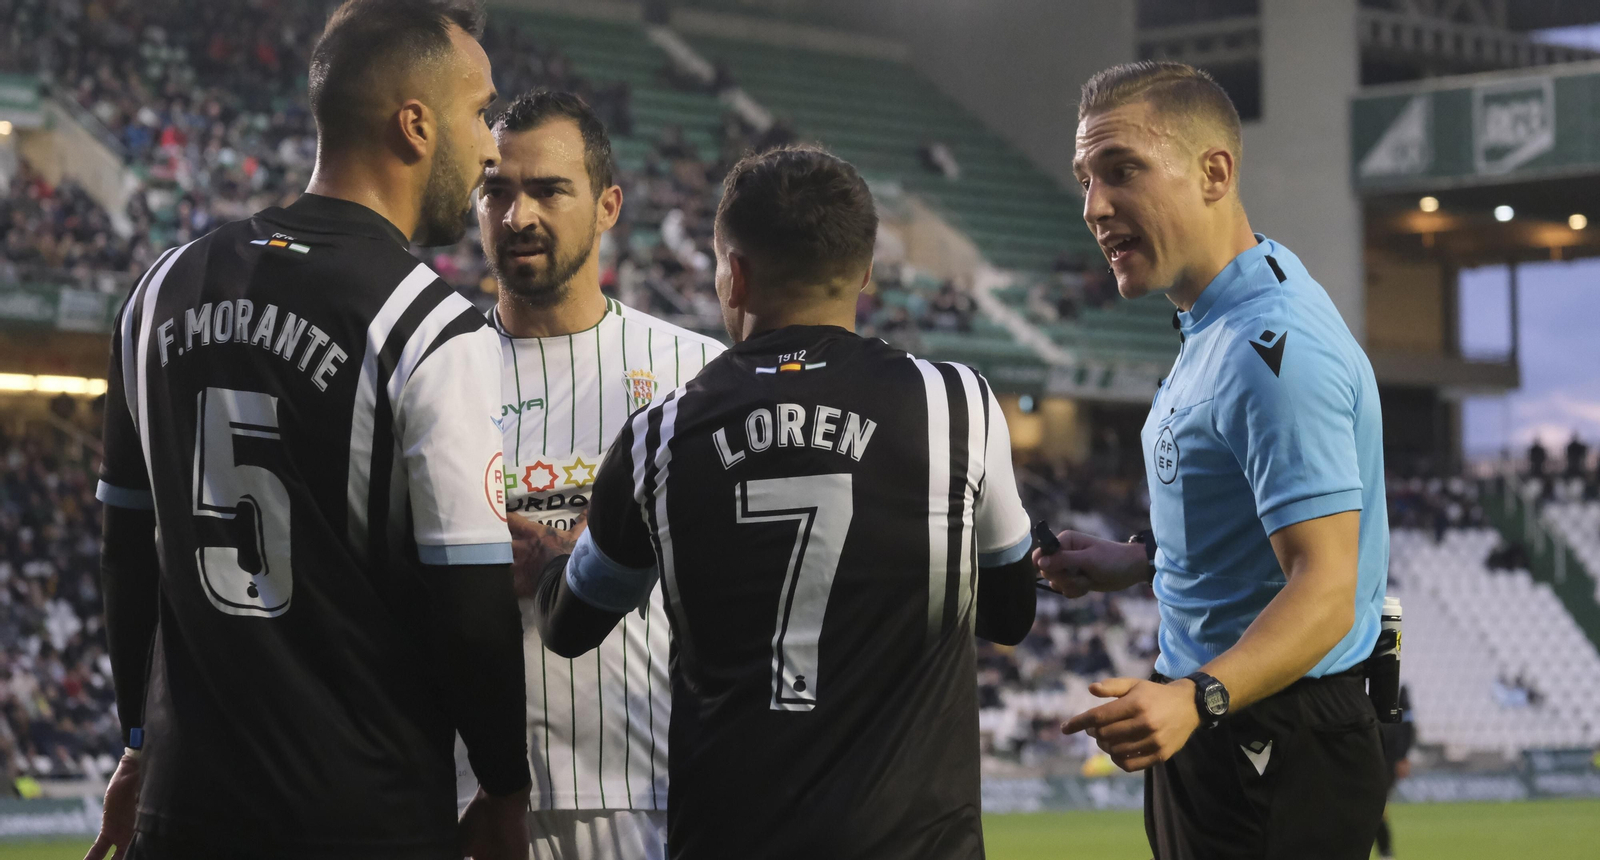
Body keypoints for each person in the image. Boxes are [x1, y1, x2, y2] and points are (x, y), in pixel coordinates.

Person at [86, 2, 531, 858]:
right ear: (415, 125)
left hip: (182, 814)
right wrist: (505, 786)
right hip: (362, 818)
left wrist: (139, 745)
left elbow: (123, 554)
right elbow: (472, 610)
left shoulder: (158, 289)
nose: (490, 149)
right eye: (481, 113)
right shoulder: (432, 328)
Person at [534, 145, 1038, 858]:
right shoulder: (956, 404)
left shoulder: (660, 434)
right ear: (865, 272)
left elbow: (569, 626)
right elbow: (1010, 614)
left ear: (735, 273)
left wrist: (553, 555)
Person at [1037, 61, 1389, 859]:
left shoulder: (1273, 346)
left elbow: (1327, 589)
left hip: (1274, 736)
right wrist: (1139, 560)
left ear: (1215, 174)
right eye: (1086, 179)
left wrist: (1197, 698)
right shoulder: (1219, 321)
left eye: (1121, 170)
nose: (1094, 206)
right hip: (1237, 718)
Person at [457, 90, 723, 859]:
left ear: (608, 206)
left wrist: (577, 557)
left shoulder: (695, 374)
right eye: (497, 191)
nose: (518, 216)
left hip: (643, 792)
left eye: (549, 190)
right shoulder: (431, 370)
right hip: (468, 796)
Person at [1375, 685, 1415, 860]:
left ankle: (1385, 852)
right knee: (1376, 809)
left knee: (1377, 808)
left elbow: (1407, 727)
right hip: (1376, 758)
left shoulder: (1400, 696)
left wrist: (1402, 756)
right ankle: (1385, 852)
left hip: (1385, 762)